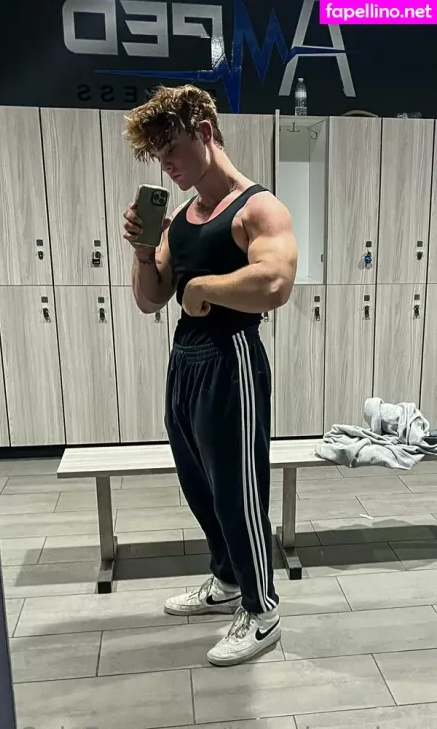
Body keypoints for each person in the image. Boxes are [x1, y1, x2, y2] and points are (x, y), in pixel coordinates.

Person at [123, 85, 297, 667]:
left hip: (232, 358)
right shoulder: (180, 219)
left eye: (171, 150)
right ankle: (225, 579)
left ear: (204, 131)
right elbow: (150, 300)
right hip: (186, 361)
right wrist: (145, 251)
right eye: (158, 158)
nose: (166, 166)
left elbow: (275, 281)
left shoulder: (258, 208)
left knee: (236, 491)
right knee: (198, 484)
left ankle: (262, 609)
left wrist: (203, 287)